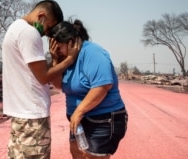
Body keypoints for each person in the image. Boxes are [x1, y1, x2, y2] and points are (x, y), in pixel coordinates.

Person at [2, 0, 81, 159]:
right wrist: (69, 59)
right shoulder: (29, 33)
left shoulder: (14, 28)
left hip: (21, 113)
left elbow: (36, 72)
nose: (47, 33)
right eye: (49, 27)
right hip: (33, 114)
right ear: (41, 16)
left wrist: (54, 59)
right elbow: (44, 77)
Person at [48, 19, 128, 159]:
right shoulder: (66, 59)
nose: (56, 51)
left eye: (58, 47)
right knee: (77, 153)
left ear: (72, 42)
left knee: (92, 157)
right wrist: (55, 60)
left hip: (103, 118)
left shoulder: (92, 52)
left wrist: (79, 111)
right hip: (79, 119)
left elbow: (102, 86)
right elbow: (59, 85)